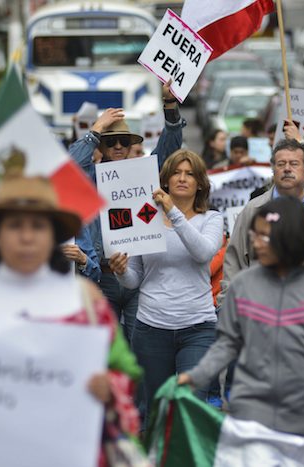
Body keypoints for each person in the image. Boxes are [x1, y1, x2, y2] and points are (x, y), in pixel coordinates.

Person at [0, 174, 142, 464]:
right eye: (14, 225)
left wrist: (108, 386)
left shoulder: (85, 303)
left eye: (38, 226)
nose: (26, 236)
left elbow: (126, 370)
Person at [178, 197, 304, 455]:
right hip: (252, 415)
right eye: (255, 234)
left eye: (264, 236)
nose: (255, 242)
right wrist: (195, 377)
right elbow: (227, 344)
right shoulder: (243, 286)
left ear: (289, 237)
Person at [108, 149, 223, 419]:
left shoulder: (212, 219)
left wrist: (172, 211)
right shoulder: (144, 218)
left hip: (198, 328)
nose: (182, 178)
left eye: (190, 174)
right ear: (166, 180)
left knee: (191, 407)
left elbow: (203, 252)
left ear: (200, 183)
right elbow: (134, 278)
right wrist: (120, 271)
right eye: (176, 173)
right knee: (154, 411)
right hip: (150, 329)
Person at [69, 81, 185, 342]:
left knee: (139, 352)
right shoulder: (89, 178)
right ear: (101, 146)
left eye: (123, 141)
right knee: (104, 349)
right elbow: (71, 163)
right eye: (111, 142)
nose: (119, 146)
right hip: (102, 277)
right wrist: (97, 127)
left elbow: (170, 148)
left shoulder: (141, 173)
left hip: (139, 277)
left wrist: (170, 105)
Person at [223, 139, 304, 295]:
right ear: (273, 171)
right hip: (265, 308)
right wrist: (229, 303)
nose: (287, 169)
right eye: (281, 164)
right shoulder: (253, 210)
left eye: (294, 164)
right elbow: (234, 262)